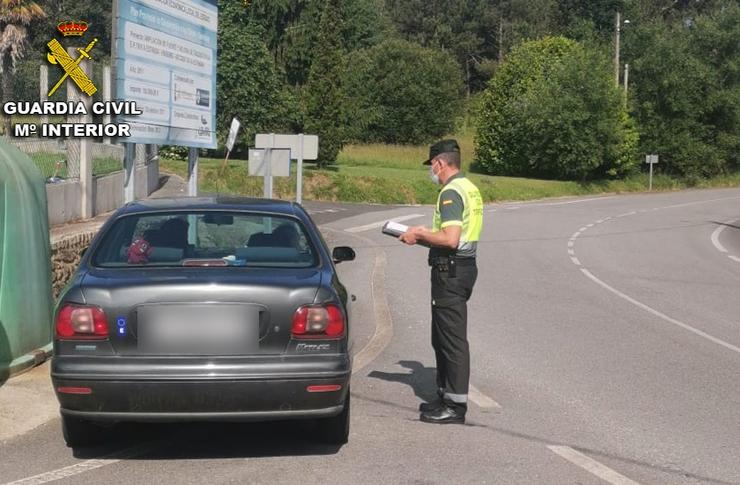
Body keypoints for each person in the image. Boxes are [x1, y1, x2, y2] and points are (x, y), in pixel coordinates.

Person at [399, 139, 483, 425]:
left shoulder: (450, 192)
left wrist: (419, 235)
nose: (431, 172)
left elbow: (450, 239)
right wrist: (423, 236)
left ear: (440, 163)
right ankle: (446, 395)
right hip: (462, 266)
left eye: (431, 166)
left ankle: (455, 406)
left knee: (451, 339)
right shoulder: (469, 187)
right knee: (443, 336)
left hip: (451, 271)